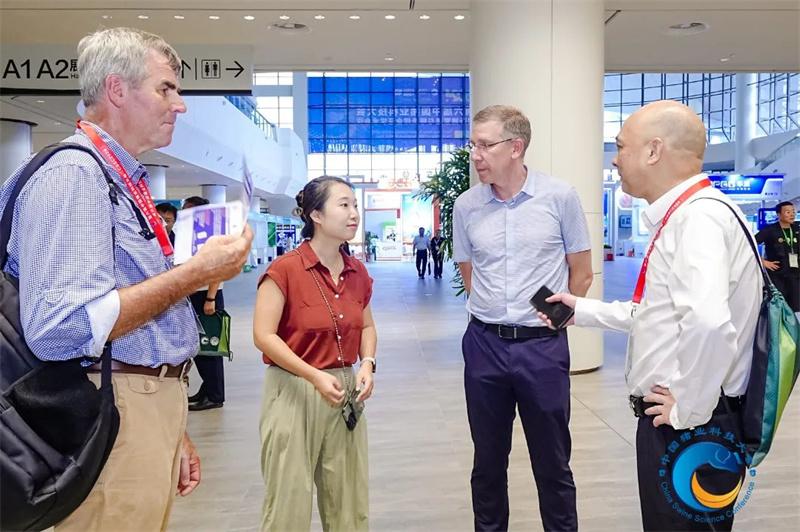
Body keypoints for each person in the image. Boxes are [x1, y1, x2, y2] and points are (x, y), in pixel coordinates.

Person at [0, 27, 253, 531]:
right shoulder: (75, 176)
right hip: (108, 409)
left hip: (134, 404)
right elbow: (61, 327)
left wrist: (170, 425)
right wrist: (195, 275)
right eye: (166, 88)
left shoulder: (115, 178)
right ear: (117, 89)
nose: (179, 104)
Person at [542, 101, 761, 531]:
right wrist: (581, 310)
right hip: (695, 421)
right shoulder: (692, 213)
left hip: (692, 427)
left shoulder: (698, 219)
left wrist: (688, 408)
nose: (615, 159)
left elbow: (708, 322)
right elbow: (660, 315)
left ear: (654, 150)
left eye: (622, 146)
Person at [452, 105, 593, 531]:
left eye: (484, 145)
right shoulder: (466, 205)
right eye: (472, 145)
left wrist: (556, 319)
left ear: (516, 147)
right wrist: (496, 312)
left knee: (553, 462)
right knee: (487, 462)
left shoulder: (559, 197)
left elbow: (582, 272)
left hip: (542, 349)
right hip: (484, 346)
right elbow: (469, 273)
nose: (475, 155)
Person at [253, 175, 377, 532]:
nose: (354, 213)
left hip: (344, 389)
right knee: (288, 499)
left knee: (348, 499)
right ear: (316, 215)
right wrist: (313, 375)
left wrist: (367, 364)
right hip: (294, 387)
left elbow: (367, 326)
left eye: (355, 205)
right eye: (344, 205)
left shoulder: (356, 271)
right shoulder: (285, 269)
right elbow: (264, 335)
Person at [181, 196, 227, 411]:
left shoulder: (211, 237)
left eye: (187, 210)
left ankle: (215, 396)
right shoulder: (191, 235)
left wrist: (210, 298)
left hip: (207, 297)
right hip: (194, 295)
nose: (183, 213)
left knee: (210, 348)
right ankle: (207, 389)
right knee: (200, 347)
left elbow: (218, 270)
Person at [756, 201, 799, 312]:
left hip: (795, 275)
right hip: (777, 275)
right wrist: (762, 261)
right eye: (788, 212)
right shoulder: (769, 230)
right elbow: (749, 244)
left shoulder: (797, 229)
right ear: (779, 214)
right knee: (779, 306)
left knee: (796, 306)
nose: (792, 214)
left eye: (793, 211)